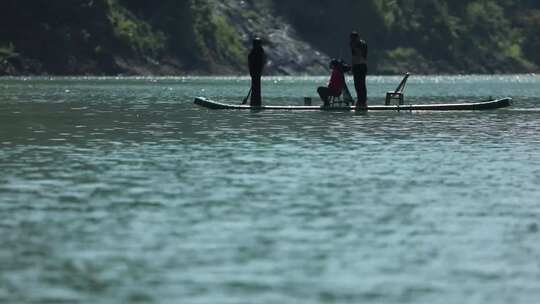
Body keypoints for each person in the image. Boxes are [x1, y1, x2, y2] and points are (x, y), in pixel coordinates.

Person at [350, 31, 368, 111]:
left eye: (354, 39)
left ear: (357, 38)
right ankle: (359, 100)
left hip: (361, 65)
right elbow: (353, 56)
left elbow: (361, 55)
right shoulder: (352, 43)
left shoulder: (362, 44)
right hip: (356, 66)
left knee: (362, 84)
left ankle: (363, 102)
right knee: (357, 85)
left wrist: (355, 47)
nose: (352, 40)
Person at [247, 37, 266, 106]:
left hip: (257, 73)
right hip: (254, 73)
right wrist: (252, 72)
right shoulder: (254, 51)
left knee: (256, 89)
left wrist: (259, 72)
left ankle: (256, 103)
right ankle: (254, 103)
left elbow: (262, 62)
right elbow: (250, 62)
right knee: (255, 89)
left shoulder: (259, 51)